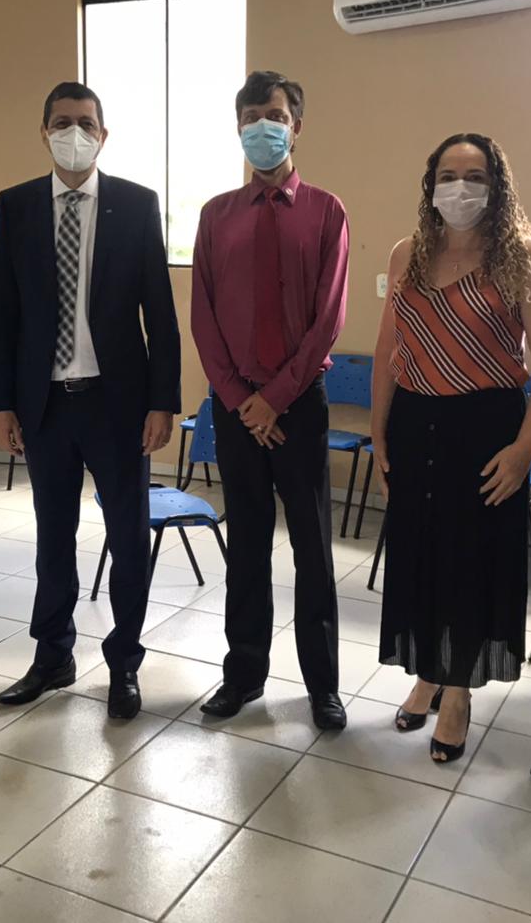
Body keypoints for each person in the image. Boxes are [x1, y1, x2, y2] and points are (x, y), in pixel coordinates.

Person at [0, 82, 180, 719]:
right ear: (44, 131)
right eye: (63, 122)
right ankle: (52, 657)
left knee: (128, 538)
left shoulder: (136, 203)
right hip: (45, 405)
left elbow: (160, 312)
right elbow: (4, 311)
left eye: (86, 123)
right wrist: (1, 402)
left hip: (117, 404)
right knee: (53, 538)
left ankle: (124, 663)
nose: (75, 133)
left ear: (104, 134)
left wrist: (163, 401)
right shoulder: (16, 206)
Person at [370, 134, 531, 763]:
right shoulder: (407, 253)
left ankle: (457, 694)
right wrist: (379, 433)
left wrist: (525, 450)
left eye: (475, 176)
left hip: (486, 431)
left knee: (470, 562)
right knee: (422, 557)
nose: (460, 187)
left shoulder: (521, 256)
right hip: (414, 425)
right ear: (430, 185)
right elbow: (389, 350)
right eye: (448, 175)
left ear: (496, 187)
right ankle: (429, 673)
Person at [191, 71, 350, 730]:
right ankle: (243, 675)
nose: (263, 125)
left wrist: (276, 398)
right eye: (251, 115)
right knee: (248, 544)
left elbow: (329, 318)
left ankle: (322, 687)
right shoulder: (215, 215)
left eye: (275, 115)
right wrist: (240, 400)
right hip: (235, 408)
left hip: (299, 406)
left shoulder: (327, 211)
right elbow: (203, 318)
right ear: (238, 126)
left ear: (296, 126)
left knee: (312, 549)